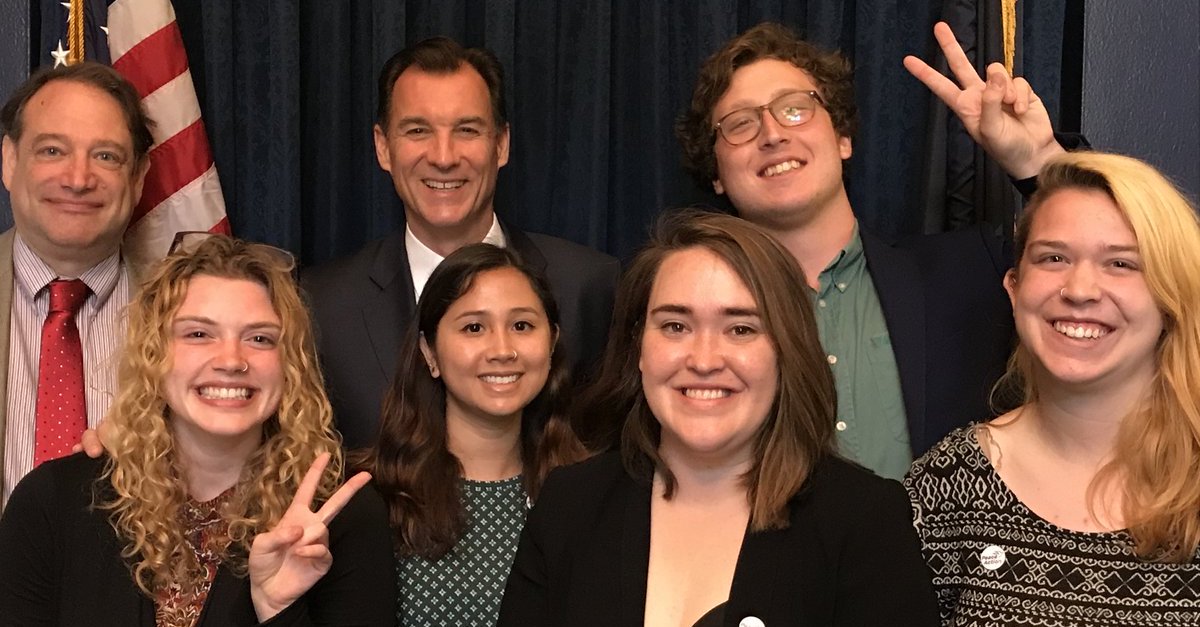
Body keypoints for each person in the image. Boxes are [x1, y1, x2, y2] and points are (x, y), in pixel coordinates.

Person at [671, 21, 1078, 479]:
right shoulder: (689, 323)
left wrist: (1038, 160)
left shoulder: (970, 272)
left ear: (843, 137)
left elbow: (1137, 282)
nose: (772, 134)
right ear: (717, 174)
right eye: (740, 124)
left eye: (795, 109)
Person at [499, 211, 939, 627]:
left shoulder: (864, 521)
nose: (704, 360)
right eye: (675, 326)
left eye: (741, 329)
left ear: (786, 351)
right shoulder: (569, 507)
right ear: (638, 347)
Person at [0, 234, 395, 626]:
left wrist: (279, 610)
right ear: (154, 354)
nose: (231, 360)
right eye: (198, 334)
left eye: (260, 338)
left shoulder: (341, 518)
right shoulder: (53, 502)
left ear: (291, 365)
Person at [905, 152, 1200, 626]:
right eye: (1054, 257)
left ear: (1171, 296)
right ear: (1014, 288)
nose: (1080, 289)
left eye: (1121, 263)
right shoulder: (945, 487)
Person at [304, 36, 620, 450]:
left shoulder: (591, 288)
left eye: (466, 130)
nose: (444, 156)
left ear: (501, 145)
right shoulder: (319, 303)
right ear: (383, 147)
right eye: (418, 130)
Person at [356, 243, 587, 626]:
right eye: (474, 327)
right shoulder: (374, 497)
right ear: (429, 353)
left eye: (522, 326)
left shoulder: (592, 494)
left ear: (552, 344)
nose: (502, 349)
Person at [0, 62, 152, 507]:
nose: (78, 179)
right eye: (52, 151)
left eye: (106, 156)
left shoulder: (186, 313)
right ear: (9, 161)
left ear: (139, 177)